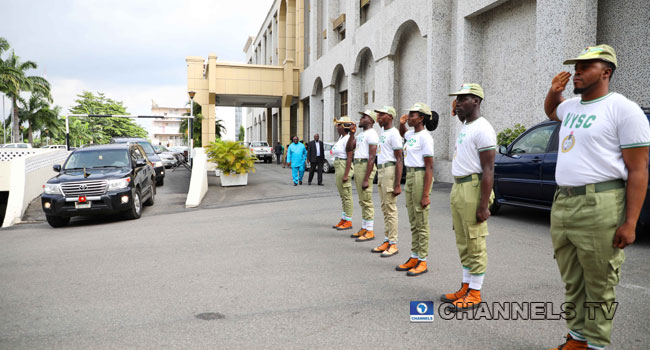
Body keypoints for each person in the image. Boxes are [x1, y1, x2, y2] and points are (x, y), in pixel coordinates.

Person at [543, 45, 650, 350]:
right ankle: (577, 339)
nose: (577, 71)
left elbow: (639, 170)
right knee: (573, 280)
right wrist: (554, 91)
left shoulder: (623, 110)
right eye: (576, 66)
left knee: (600, 283)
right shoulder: (572, 107)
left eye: (585, 66)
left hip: (600, 202)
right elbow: (552, 110)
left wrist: (630, 223)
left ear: (606, 72)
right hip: (563, 202)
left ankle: (597, 345)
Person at [440, 83, 496, 312]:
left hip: (473, 187)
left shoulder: (483, 128)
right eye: (457, 99)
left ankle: (475, 292)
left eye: (463, 99)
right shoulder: (467, 126)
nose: (458, 103)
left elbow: (489, 169)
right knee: (463, 241)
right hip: (459, 188)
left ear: (476, 101)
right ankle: (465, 286)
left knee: (475, 241)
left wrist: (484, 205)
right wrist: (457, 113)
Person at [395, 103, 435, 277]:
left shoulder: (426, 137)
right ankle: (414, 256)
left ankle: (423, 260)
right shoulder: (411, 133)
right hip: (410, 175)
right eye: (409, 114)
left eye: (412, 115)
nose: (409, 116)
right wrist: (402, 123)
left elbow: (430, 167)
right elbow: (402, 133)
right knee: (413, 219)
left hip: (420, 175)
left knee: (421, 220)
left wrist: (426, 194)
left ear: (421, 118)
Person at [370, 106, 403, 257]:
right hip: (381, 170)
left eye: (381, 115)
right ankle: (387, 239)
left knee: (390, 208)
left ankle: (393, 243)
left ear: (390, 116)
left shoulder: (394, 134)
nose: (378, 117)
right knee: (384, 208)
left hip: (390, 170)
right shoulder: (383, 132)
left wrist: (397, 184)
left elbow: (399, 158)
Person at [347, 110, 379, 242]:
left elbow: (372, 157)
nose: (360, 119)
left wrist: (366, 178)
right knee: (362, 199)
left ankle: (370, 230)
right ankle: (365, 227)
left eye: (363, 117)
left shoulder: (372, 134)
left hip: (366, 165)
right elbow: (349, 148)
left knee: (366, 199)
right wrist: (352, 134)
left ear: (371, 120)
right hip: (359, 165)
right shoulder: (361, 134)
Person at [331, 117, 355, 231]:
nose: (337, 127)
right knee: (342, 195)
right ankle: (344, 218)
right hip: (338, 165)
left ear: (345, 126)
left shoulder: (348, 139)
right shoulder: (341, 138)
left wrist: (346, 174)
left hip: (343, 165)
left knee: (346, 195)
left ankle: (348, 220)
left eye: (339, 125)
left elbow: (350, 156)